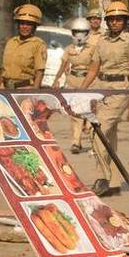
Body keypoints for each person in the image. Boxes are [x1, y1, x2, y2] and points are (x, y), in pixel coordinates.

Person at [80, 0, 129, 197]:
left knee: (98, 131)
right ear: (107, 21)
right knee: (110, 137)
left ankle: (102, 177)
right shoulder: (102, 41)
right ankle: (114, 182)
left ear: (125, 21)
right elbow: (93, 68)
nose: (115, 22)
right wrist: (81, 90)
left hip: (121, 89)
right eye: (112, 19)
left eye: (119, 19)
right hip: (102, 87)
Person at [52, 17, 94, 154]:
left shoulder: (93, 49)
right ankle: (76, 142)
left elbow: (96, 67)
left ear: (87, 33)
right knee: (75, 113)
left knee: (88, 112)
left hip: (87, 81)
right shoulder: (69, 49)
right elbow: (63, 65)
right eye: (76, 32)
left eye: (82, 32)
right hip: (72, 80)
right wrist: (57, 79)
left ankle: (93, 138)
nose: (79, 35)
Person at [0, 4, 46, 89]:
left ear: (34, 27)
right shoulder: (11, 42)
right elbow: (4, 69)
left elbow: (40, 72)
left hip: (25, 89)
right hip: (6, 89)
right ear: (18, 25)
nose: (25, 27)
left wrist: (34, 92)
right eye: (22, 23)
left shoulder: (38, 44)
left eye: (29, 24)